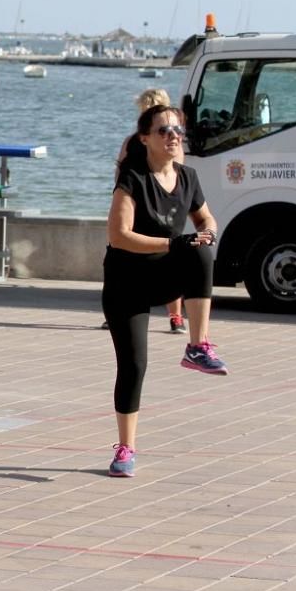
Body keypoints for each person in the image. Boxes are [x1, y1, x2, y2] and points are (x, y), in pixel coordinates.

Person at [103, 104, 228, 479]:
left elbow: (205, 217)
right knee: (134, 365)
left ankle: (197, 345)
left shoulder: (188, 177)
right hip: (127, 284)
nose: (173, 135)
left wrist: (207, 228)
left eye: (177, 130)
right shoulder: (133, 178)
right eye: (163, 130)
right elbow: (118, 236)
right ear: (145, 139)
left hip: (164, 275)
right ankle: (126, 448)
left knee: (202, 250)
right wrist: (172, 244)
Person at [114, 88, 187, 334]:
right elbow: (179, 174)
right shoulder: (160, 140)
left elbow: (120, 172)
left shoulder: (133, 141)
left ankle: (127, 310)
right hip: (154, 205)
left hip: (141, 205)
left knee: (130, 258)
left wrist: (119, 199)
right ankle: (175, 317)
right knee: (169, 258)